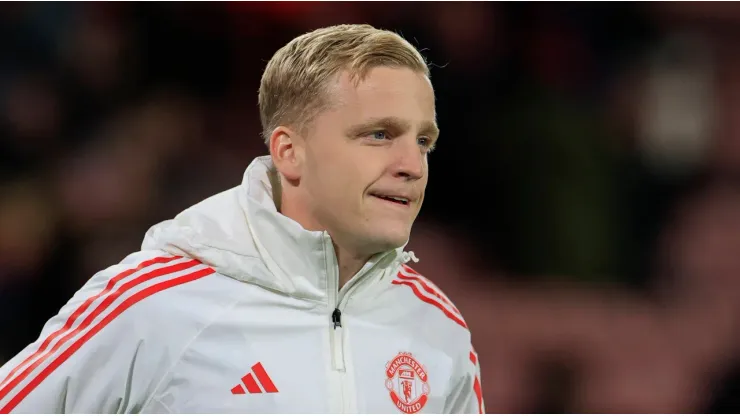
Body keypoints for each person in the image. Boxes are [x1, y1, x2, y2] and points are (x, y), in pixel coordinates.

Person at [0, 24, 484, 413]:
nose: (413, 165)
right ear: (289, 152)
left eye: (424, 141)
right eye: (379, 134)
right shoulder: (152, 304)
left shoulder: (438, 329)